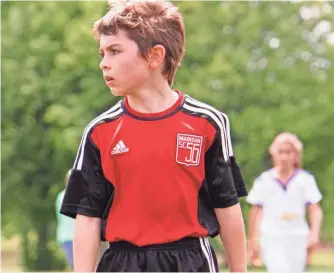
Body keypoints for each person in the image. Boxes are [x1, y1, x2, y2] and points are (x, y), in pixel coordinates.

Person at [60, 1, 248, 272]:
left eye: (114, 51)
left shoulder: (208, 123)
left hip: (191, 261)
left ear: (155, 56)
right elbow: (87, 218)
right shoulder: (99, 131)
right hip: (123, 263)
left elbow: (227, 206)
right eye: (102, 53)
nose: (103, 64)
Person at [247, 132, 323, 273]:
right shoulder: (264, 181)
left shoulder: (305, 180)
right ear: (274, 154)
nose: (284, 157)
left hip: (297, 236)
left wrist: (314, 233)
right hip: (271, 235)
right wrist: (253, 240)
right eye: (280, 152)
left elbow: (314, 209)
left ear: (296, 155)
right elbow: (256, 212)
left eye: (289, 152)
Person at [55, 170, 75, 269]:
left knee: (75, 266)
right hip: (70, 237)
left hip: (66, 237)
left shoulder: (60, 196)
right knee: (76, 266)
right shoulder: (67, 196)